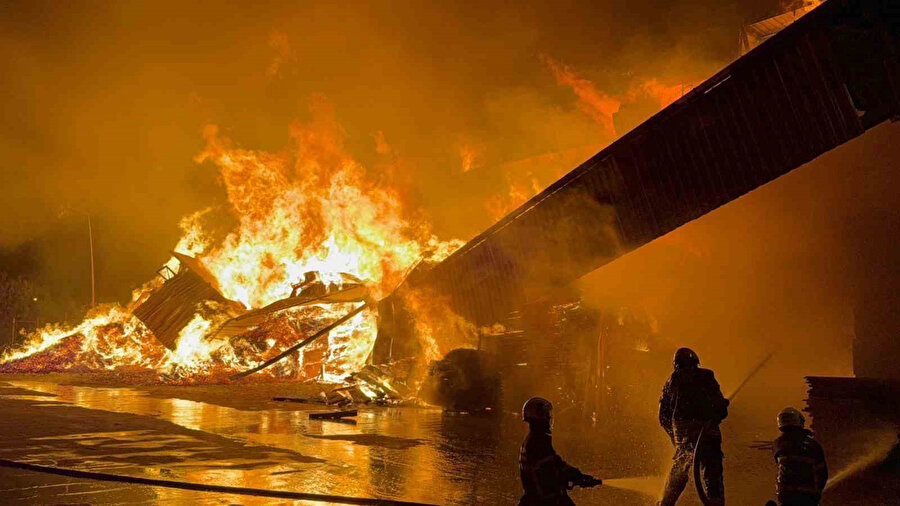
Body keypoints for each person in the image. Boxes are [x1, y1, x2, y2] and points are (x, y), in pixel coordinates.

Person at [658, 347, 729, 506]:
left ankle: (666, 502)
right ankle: (715, 502)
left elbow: (663, 417)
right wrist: (722, 408)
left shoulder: (671, 382)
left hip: (684, 435)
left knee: (680, 468)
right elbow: (720, 408)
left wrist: (675, 437)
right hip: (708, 433)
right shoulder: (707, 376)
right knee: (712, 471)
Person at [519, 397, 600, 505]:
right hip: (545, 502)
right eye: (547, 415)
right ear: (539, 417)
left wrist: (578, 475)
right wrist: (574, 479)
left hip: (539, 499)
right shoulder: (537, 443)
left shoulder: (536, 440)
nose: (549, 418)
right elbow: (549, 475)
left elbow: (556, 464)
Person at [771, 407, 828, 506]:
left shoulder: (777, 444)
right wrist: (817, 493)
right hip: (809, 498)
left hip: (785, 497)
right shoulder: (813, 445)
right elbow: (823, 473)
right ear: (799, 421)